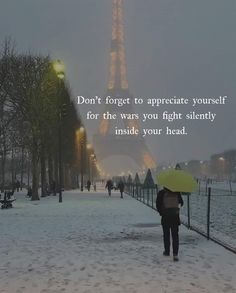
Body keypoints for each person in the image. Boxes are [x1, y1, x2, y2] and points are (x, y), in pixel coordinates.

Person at [156, 187, 183, 261]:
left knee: (166, 235)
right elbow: (181, 203)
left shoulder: (161, 193)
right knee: (175, 236)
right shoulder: (177, 191)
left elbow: (158, 204)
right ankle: (175, 254)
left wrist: (161, 213)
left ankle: (167, 251)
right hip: (175, 217)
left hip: (165, 217)